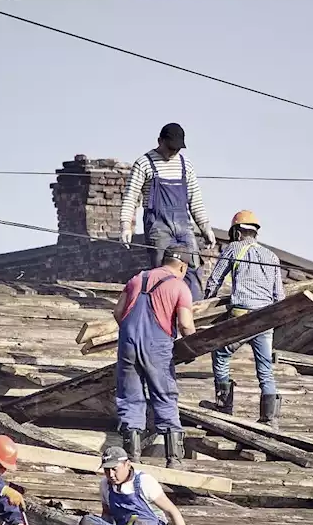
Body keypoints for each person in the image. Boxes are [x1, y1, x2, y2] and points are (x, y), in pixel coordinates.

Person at [113, 250, 197, 467]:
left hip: (127, 343)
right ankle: (174, 459)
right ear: (182, 267)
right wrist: (193, 346)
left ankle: (132, 457)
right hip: (157, 345)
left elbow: (118, 312)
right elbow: (186, 324)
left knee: (130, 397)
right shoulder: (179, 286)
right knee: (164, 395)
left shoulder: (136, 279)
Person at [203, 210, 285, 428]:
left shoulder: (234, 248)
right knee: (265, 368)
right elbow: (280, 296)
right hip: (266, 317)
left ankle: (223, 407)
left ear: (237, 232)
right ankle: (270, 419)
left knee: (220, 353)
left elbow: (214, 280)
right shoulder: (272, 256)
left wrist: (204, 305)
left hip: (242, 316)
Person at [118, 123, 217, 300]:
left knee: (192, 268)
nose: (173, 152)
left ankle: (192, 311)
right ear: (160, 141)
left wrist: (205, 228)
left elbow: (195, 199)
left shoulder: (185, 164)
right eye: (170, 147)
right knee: (163, 271)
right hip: (158, 227)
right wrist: (126, 225)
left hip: (183, 225)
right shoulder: (144, 163)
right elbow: (130, 196)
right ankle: (163, 308)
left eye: (177, 148)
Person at [79, 446, 204, 525]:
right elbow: (107, 513)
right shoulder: (105, 485)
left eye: (114, 469)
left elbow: (173, 511)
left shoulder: (145, 482)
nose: (111, 474)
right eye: (107, 470)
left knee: (139, 522)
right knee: (87, 521)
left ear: (127, 464)